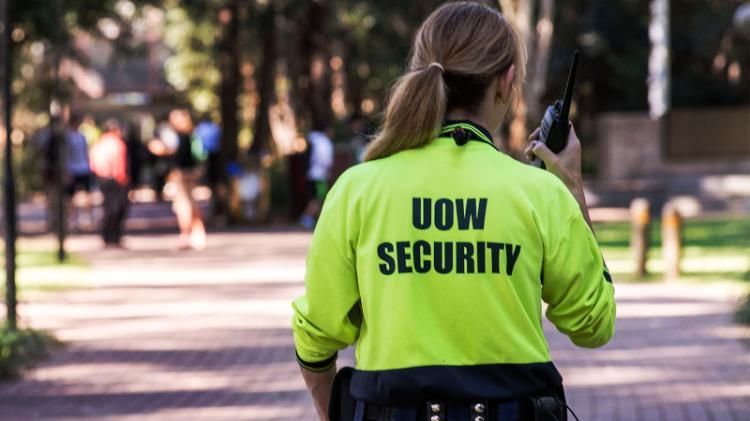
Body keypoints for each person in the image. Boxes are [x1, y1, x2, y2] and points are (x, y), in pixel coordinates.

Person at [291, 3, 616, 421]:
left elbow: (315, 338)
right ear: (507, 81)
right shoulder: (541, 194)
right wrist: (571, 184)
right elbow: (595, 324)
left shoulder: (357, 189)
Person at [149, 109, 207, 250]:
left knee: (183, 205)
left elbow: (170, 150)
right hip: (192, 171)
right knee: (191, 202)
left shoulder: (175, 135)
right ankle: (198, 233)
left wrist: (158, 148)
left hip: (181, 173)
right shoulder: (191, 133)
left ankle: (185, 235)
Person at [90, 120, 130, 247]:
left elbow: (93, 162)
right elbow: (120, 163)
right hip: (116, 179)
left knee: (108, 207)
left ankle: (108, 236)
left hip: (103, 178)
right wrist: (122, 178)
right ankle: (114, 236)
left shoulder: (99, 143)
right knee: (117, 208)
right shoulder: (117, 143)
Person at [299, 125, 334, 230]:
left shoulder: (314, 141)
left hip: (311, 174)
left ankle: (311, 219)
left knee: (315, 198)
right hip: (320, 175)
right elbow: (326, 160)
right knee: (318, 198)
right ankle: (306, 219)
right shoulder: (324, 143)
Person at [65, 113, 94, 231]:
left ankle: (84, 218)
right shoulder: (72, 137)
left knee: (84, 195)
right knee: (71, 196)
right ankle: (74, 219)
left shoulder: (81, 137)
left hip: (82, 168)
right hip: (74, 168)